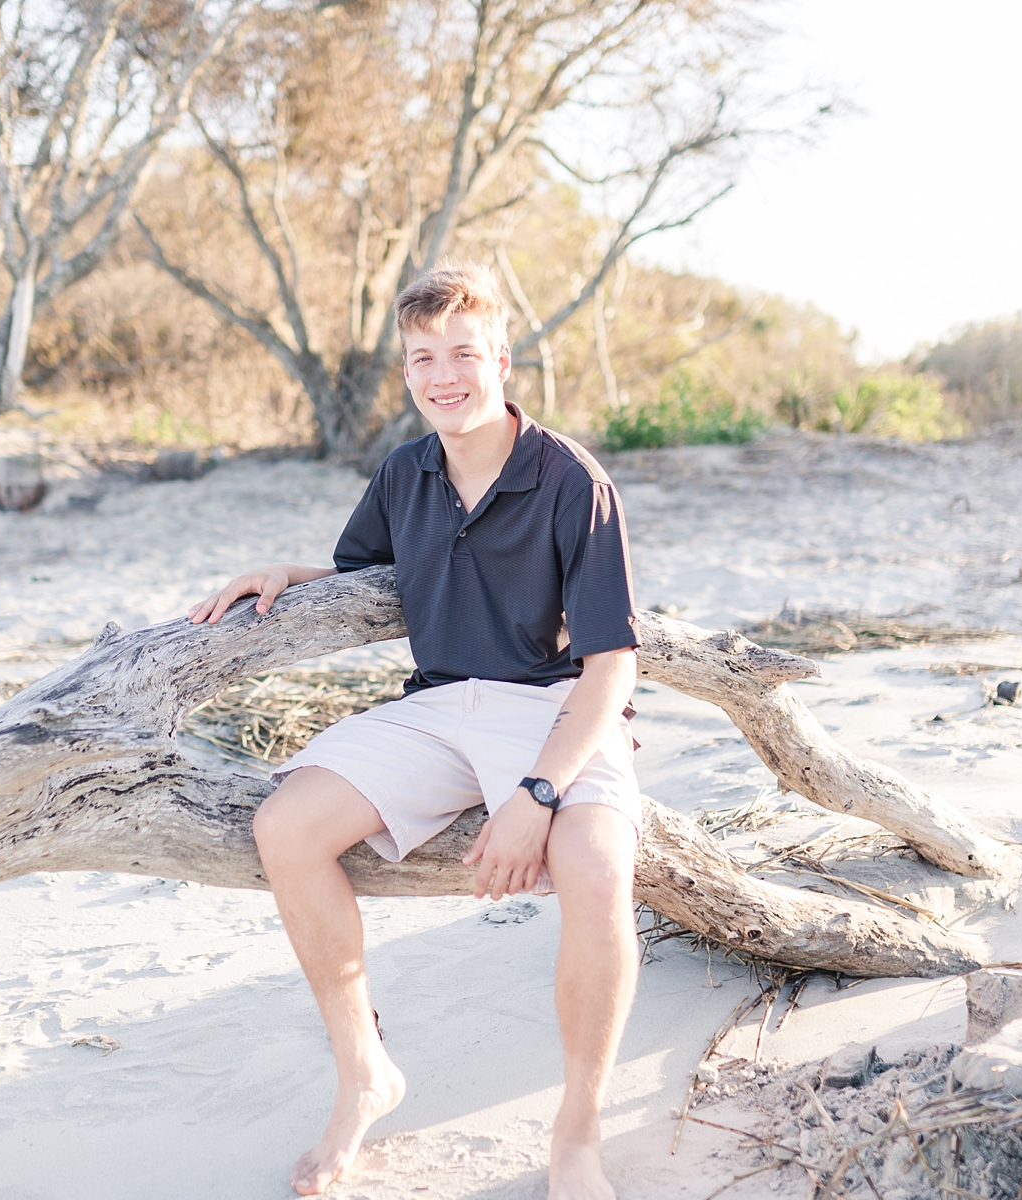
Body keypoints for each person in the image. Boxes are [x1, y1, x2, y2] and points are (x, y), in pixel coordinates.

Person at [188, 262, 641, 1200]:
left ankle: (577, 1135)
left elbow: (611, 669)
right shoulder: (405, 472)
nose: (445, 374)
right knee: (286, 827)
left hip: (555, 712)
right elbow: (365, 582)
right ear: (406, 372)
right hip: (436, 708)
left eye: (463, 354)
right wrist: (287, 573)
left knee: (596, 875)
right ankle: (365, 1076)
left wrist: (539, 794)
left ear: (502, 360)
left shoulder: (572, 480)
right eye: (423, 357)